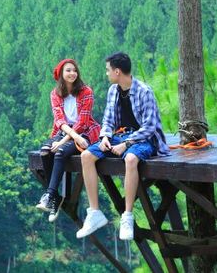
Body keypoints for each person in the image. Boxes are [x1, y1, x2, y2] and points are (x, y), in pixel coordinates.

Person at [76, 52, 169, 241]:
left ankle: (127, 216)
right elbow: (108, 119)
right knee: (86, 156)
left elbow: (149, 128)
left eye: (108, 70)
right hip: (120, 136)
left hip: (144, 139)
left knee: (130, 158)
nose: (107, 74)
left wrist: (127, 144)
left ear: (117, 71)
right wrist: (104, 137)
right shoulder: (113, 90)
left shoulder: (144, 91)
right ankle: (94, 213)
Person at [36, 58, 101, 219]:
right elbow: (59, 121)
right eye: (68, 70)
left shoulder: (86, 92)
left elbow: (83, 122)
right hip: (66, 132)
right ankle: (56, 199)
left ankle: (49, 196)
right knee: (45, 152)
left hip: (85, 132)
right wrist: (67, 138)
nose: (72, 73)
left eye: (74, 70)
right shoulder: (55, 94)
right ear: (60, 75)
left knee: (59, 152)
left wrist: (65, 141)